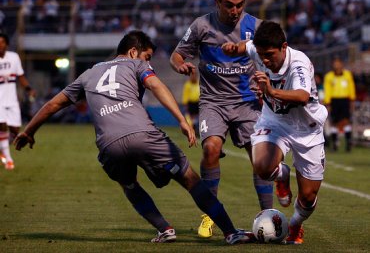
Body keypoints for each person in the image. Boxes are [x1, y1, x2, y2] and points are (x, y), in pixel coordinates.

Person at [14, 30, 255, 245]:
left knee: (128, 184)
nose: (148, 62)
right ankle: (231, 231)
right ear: (133, 52)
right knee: (189, 178)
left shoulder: (88, 74)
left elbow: (54, 104)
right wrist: (181, 119)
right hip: (144, 134)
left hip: (109, 145)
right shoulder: (136, 65)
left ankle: (165, 229)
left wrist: (29, 131)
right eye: (147, 56)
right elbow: (157, 86)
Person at [170, 0, 274, 238]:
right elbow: (177, 54)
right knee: (211, 149)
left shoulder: (256, 27)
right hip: (213, 102)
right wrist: (180, 65)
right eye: (229, 5)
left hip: (247, 103)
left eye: (239, 5)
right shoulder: (201, 26)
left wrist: (267, 82)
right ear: (217, 2)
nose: (234, 10)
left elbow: (273, 58)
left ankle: (270, 217)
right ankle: (210, 215)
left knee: (260, 160)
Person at [222, 20, 328, 244]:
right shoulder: (259, 51)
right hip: (275, 121)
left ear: (284, 46)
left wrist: (270, 90)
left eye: (270, 55)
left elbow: (301, 96)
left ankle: (294, 225)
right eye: (262, 55)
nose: (266, 60)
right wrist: (233, 48)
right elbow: (246, 46)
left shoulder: (298, 64)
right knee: (262, 167)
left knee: (308, 197)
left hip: (306, 129)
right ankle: (281, 175)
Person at [0, 33, 35, 170]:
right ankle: (8, 159)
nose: (0, 44)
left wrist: (29, 89)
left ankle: (2, 150)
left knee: (15, 131)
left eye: (2, 42)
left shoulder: (14, 57)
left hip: (12, 99)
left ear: (7, 44)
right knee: (2, 125)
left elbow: (20, 76)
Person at [323, 58, 356, 151]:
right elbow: (327, 90)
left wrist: (352, 100)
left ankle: (348, 142)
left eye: (338, 63)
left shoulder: (347, 75)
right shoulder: (329, 76)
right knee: (334, 122)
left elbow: (351, 87)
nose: (336, 66)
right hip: (334, 100)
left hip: (345, 100)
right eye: (334, 64)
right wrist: (328, 102)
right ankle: (334, 143)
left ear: (342, 64)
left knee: (346, 121)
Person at [182, 70, 200, 136]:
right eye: (192, 75)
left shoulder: (199, 83)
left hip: (198, 102)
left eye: (195, 75)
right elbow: (185, 95)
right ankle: (192, 130)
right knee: (191, 118)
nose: (193, 77)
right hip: (191, 103)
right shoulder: (188, 85)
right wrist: (185, 104)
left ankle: (198, 129)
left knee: (198, 117)